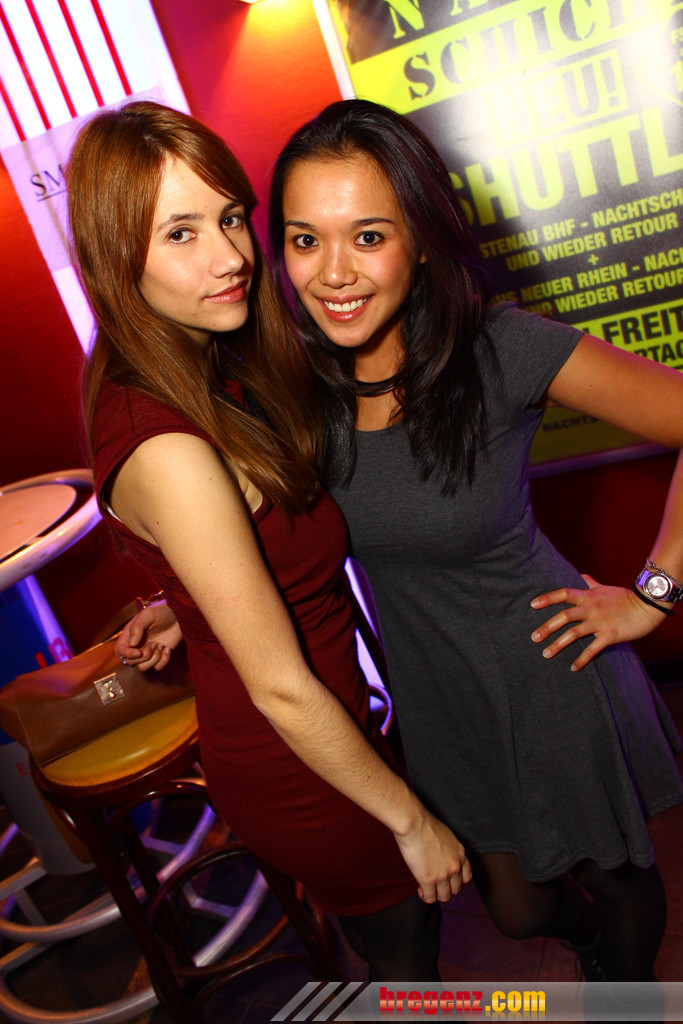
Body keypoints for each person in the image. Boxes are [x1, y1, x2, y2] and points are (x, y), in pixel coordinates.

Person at [262, 99, 683, 983]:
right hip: (436, 696)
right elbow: (281, 530)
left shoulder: (500, 348)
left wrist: (655, 595)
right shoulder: (301, 386)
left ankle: (625, 995)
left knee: (614, 879)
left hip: (546, 671)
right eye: (304, 240)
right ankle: (595, 956)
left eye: (367, 236)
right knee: (516, 908)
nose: (332, 273)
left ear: (419, 240)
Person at [68, 99, 472, 983]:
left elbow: (227, 547)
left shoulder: (198, 365)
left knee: (402, 962)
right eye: (179, 234)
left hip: (326, 738)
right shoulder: (169, 444)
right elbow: (282, 689)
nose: (230, 257)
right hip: (303, 768)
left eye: (229, 219)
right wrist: (410, 820)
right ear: (112, 254)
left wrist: (190, 603)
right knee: (411, 972)